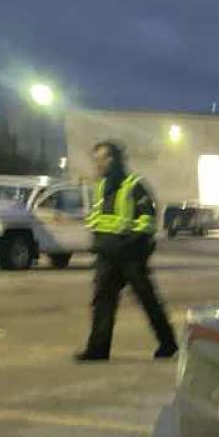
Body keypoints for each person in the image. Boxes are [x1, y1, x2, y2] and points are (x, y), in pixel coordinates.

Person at [75, 140, 178, 362]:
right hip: (107, 256)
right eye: (97, 159)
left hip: (131, 256)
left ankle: (168, 343)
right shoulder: (101, 188)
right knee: (102, 301)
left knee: (147, 300)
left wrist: (131, 243)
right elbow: (96, 218)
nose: (100, 163)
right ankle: (98, 349)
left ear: (117, 160)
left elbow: (148, 220)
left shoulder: (134, 186)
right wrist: (98, 241)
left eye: (105, 158)